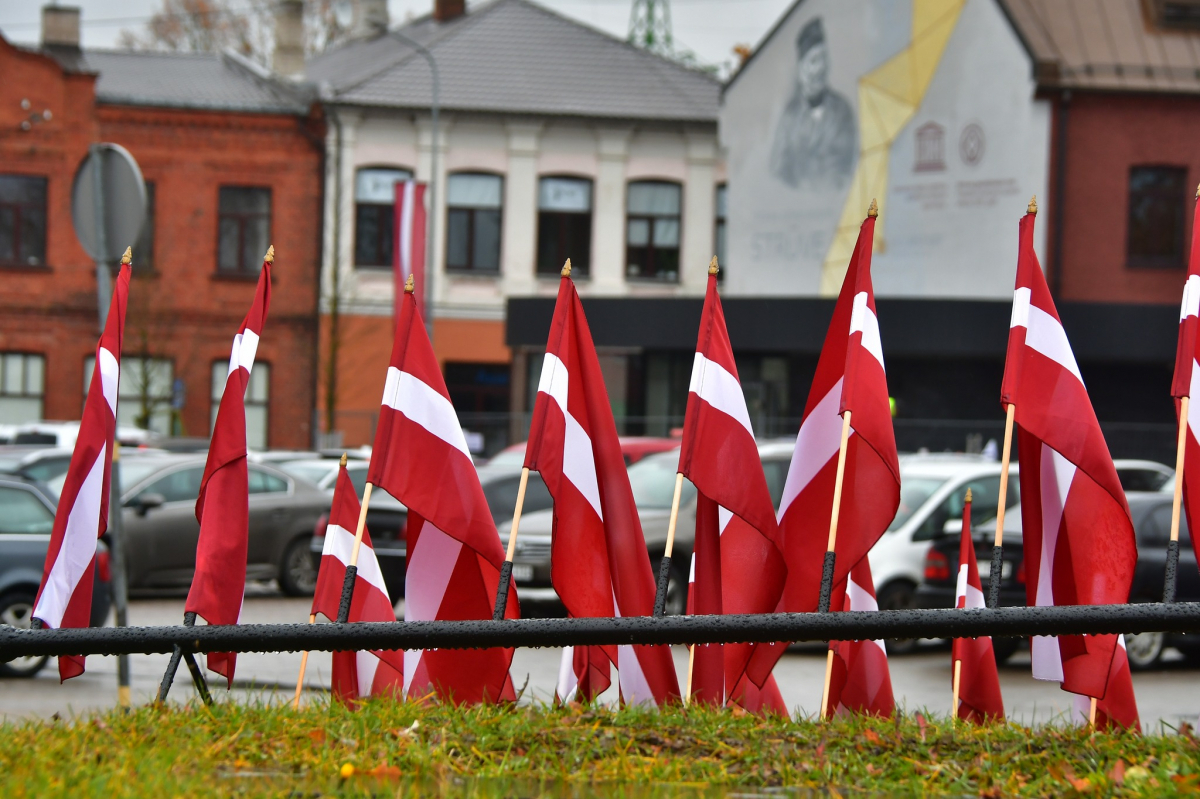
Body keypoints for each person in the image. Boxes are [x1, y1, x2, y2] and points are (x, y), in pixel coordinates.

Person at [769, 17, 856, 190]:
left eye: (824, 59)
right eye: (814, 61)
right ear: (801, 70)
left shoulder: (842, 111)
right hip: (797, 208)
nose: (820, 68)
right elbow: (778, 170)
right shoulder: (789, 117)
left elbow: (848, 165)